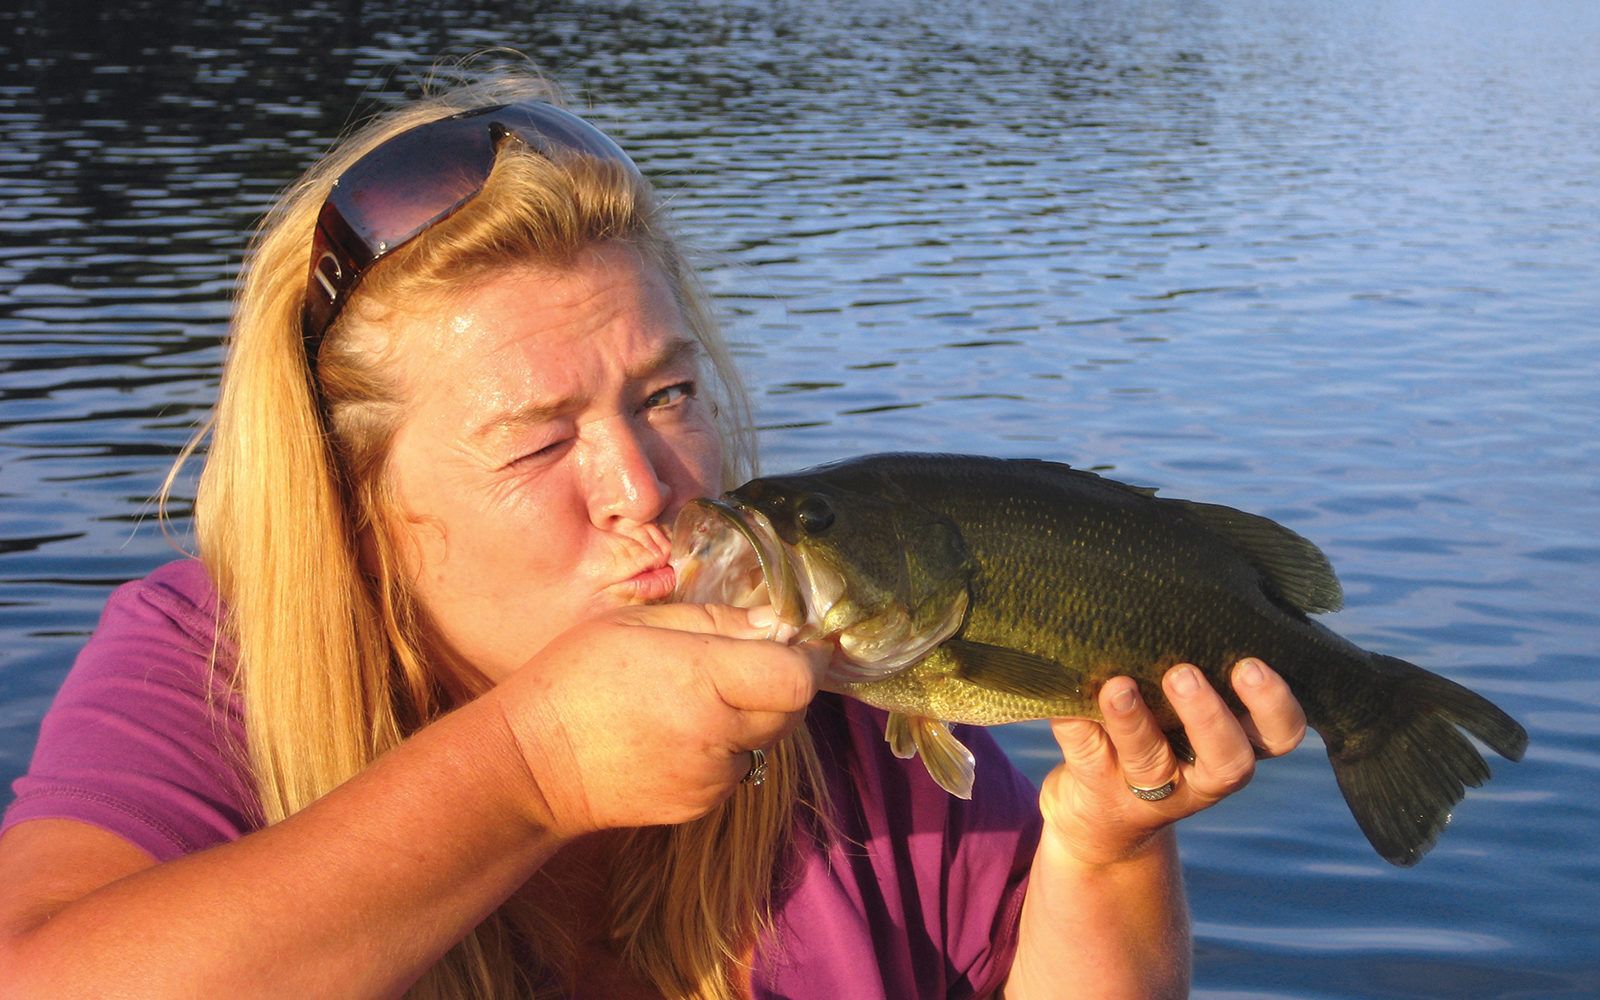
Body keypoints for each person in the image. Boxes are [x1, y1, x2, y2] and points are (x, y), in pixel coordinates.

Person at [0, 73, 1307, 999]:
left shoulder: (856, 704)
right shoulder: (209, 666)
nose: (643, 485)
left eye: (669, 396)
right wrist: (534, 769)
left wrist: (1106, 850)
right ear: (362, 515)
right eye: (536, 441)